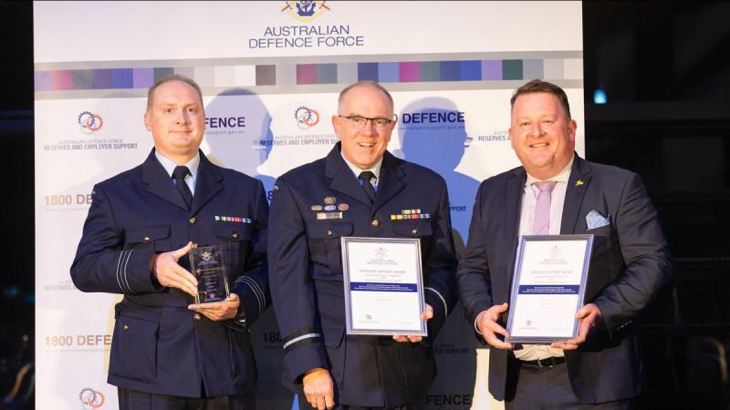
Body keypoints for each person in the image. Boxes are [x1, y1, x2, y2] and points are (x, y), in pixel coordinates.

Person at [457, 79, 672, 408]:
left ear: (570, 128)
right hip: (520, 380)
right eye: (525, 124)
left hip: (598, 381)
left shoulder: (617, 185)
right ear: (511, 135)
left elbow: (652, 263)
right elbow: (472, 268)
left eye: (547, 121)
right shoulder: (492, 192)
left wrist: (602, 311)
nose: (536, 132)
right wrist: (480, 314)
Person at [70, 74, 269, 409]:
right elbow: (85, 269)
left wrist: (241, 301)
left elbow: (267, 265)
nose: (182, 118)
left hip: (225, 365)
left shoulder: (245, 191)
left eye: (191, 109)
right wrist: (150, 266)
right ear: (148, 120)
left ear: (204, 119)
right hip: (150, 370)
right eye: (169, 109)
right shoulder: (116, 193)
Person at [267, 80, 457, 410]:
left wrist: (430, 307)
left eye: (380, 121)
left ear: (392, 126)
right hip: (334, 374)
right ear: (337, 124)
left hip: (406, 369)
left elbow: (442, 266)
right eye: (356, 119)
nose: (368, 132)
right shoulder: (298, 188)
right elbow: (288, 285)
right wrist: (309, 365)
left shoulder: (428, 185)